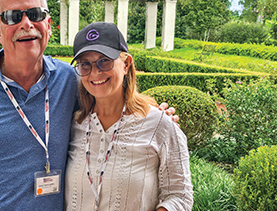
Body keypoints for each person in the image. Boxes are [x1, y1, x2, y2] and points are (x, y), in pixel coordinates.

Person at [0, 0, 178, 210]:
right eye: (12, 16)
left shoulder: (71, 80)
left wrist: (156, 116)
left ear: (47, 25)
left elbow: (110, 93)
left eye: (34, 14)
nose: (26, 23)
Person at [65, 22, 193, 211]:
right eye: (85, 64)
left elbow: (179, 196)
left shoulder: (159, 124)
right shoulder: (73, 124)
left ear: (126, 64)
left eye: (105, 60)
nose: (95, 72)